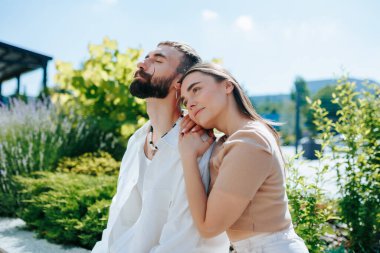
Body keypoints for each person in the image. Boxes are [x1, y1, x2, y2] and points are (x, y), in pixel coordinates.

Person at [91, 43, 229, 253]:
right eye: (146, 57)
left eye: (158, 60)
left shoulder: (198, 147)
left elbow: (186, 242)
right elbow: (119, 223)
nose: (141, 63)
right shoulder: (137, 140)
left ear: (179, 83)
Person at [178, 63, 309, 253]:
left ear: (227, 86)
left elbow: (209, 227)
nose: (189, 103)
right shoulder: (228, 141)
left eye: (196, 90)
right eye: (185, 101)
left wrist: (188, 156)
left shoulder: (249, 140)